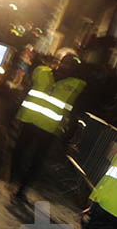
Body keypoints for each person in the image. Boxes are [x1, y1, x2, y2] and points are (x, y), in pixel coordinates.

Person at [9, 54, 86, 204]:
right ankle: (15, 179)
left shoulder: (76, 85)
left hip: (49, 128)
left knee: (37, 160)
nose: (66, 67)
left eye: (71, 65)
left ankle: (22, 188)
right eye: (65, 63)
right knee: (19, 151)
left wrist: (68, 132)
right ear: (60, 63)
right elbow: (27, 90)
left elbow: (74, 110)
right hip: (31, 120)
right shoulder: (42, 72)